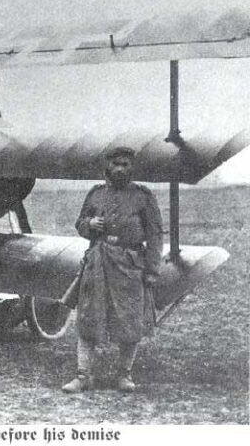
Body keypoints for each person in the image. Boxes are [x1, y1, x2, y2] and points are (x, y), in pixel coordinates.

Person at [62, 146, 163, 393]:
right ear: (107, 167)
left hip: (129, 265)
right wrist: (90, 224)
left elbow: (155, 234)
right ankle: (83, 375)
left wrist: (151, 270)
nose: (120, 168)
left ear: (132, 168)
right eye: (115, 164)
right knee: (88, 315)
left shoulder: (143, 196)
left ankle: (124, 375)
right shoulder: (96, 194)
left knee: (129, 319)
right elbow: (80, 224)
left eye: (125, 164)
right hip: (98, 262)